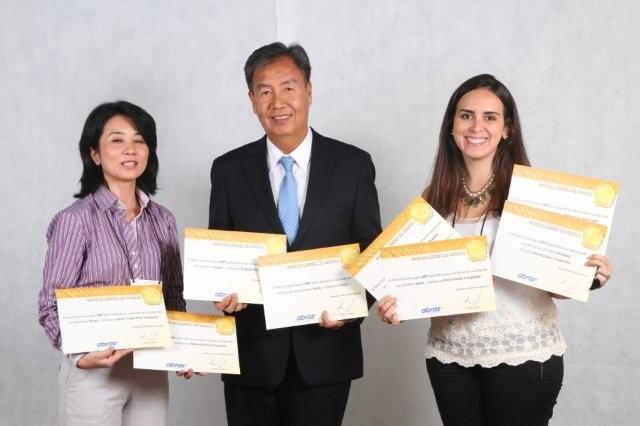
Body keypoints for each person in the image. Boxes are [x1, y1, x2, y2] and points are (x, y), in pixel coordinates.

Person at [377, 74, 613, 426]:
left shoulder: (534, 193)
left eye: (490, 117)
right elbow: (412, 280)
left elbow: (555, 286)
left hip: (521, 353)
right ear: (451, 126)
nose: (476, 126)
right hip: (449, 355)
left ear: (507, 129)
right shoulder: (432, 198)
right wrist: (394, 304)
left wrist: (587, 276)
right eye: (466, 115)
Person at [209, 42, 381, 425]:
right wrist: (221, 293)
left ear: (309, 91)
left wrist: (349, 311)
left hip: (325, 354)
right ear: (252, 100)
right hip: (251, 358)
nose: (277, 102)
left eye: (288, 87)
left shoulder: (353, 165)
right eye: (264, 91)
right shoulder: (228, 170)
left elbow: (373, 252)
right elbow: (220, 254)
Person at [37, 101, 190, 426]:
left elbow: (173, 298)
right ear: (95, 154)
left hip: (150, 371)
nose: (130, 150)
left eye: (139, 140)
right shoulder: (75, 221)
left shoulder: (163, 220)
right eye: (117, 140)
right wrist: (80, 356)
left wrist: (187, 350)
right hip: (95, 374)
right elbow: (50, 304)